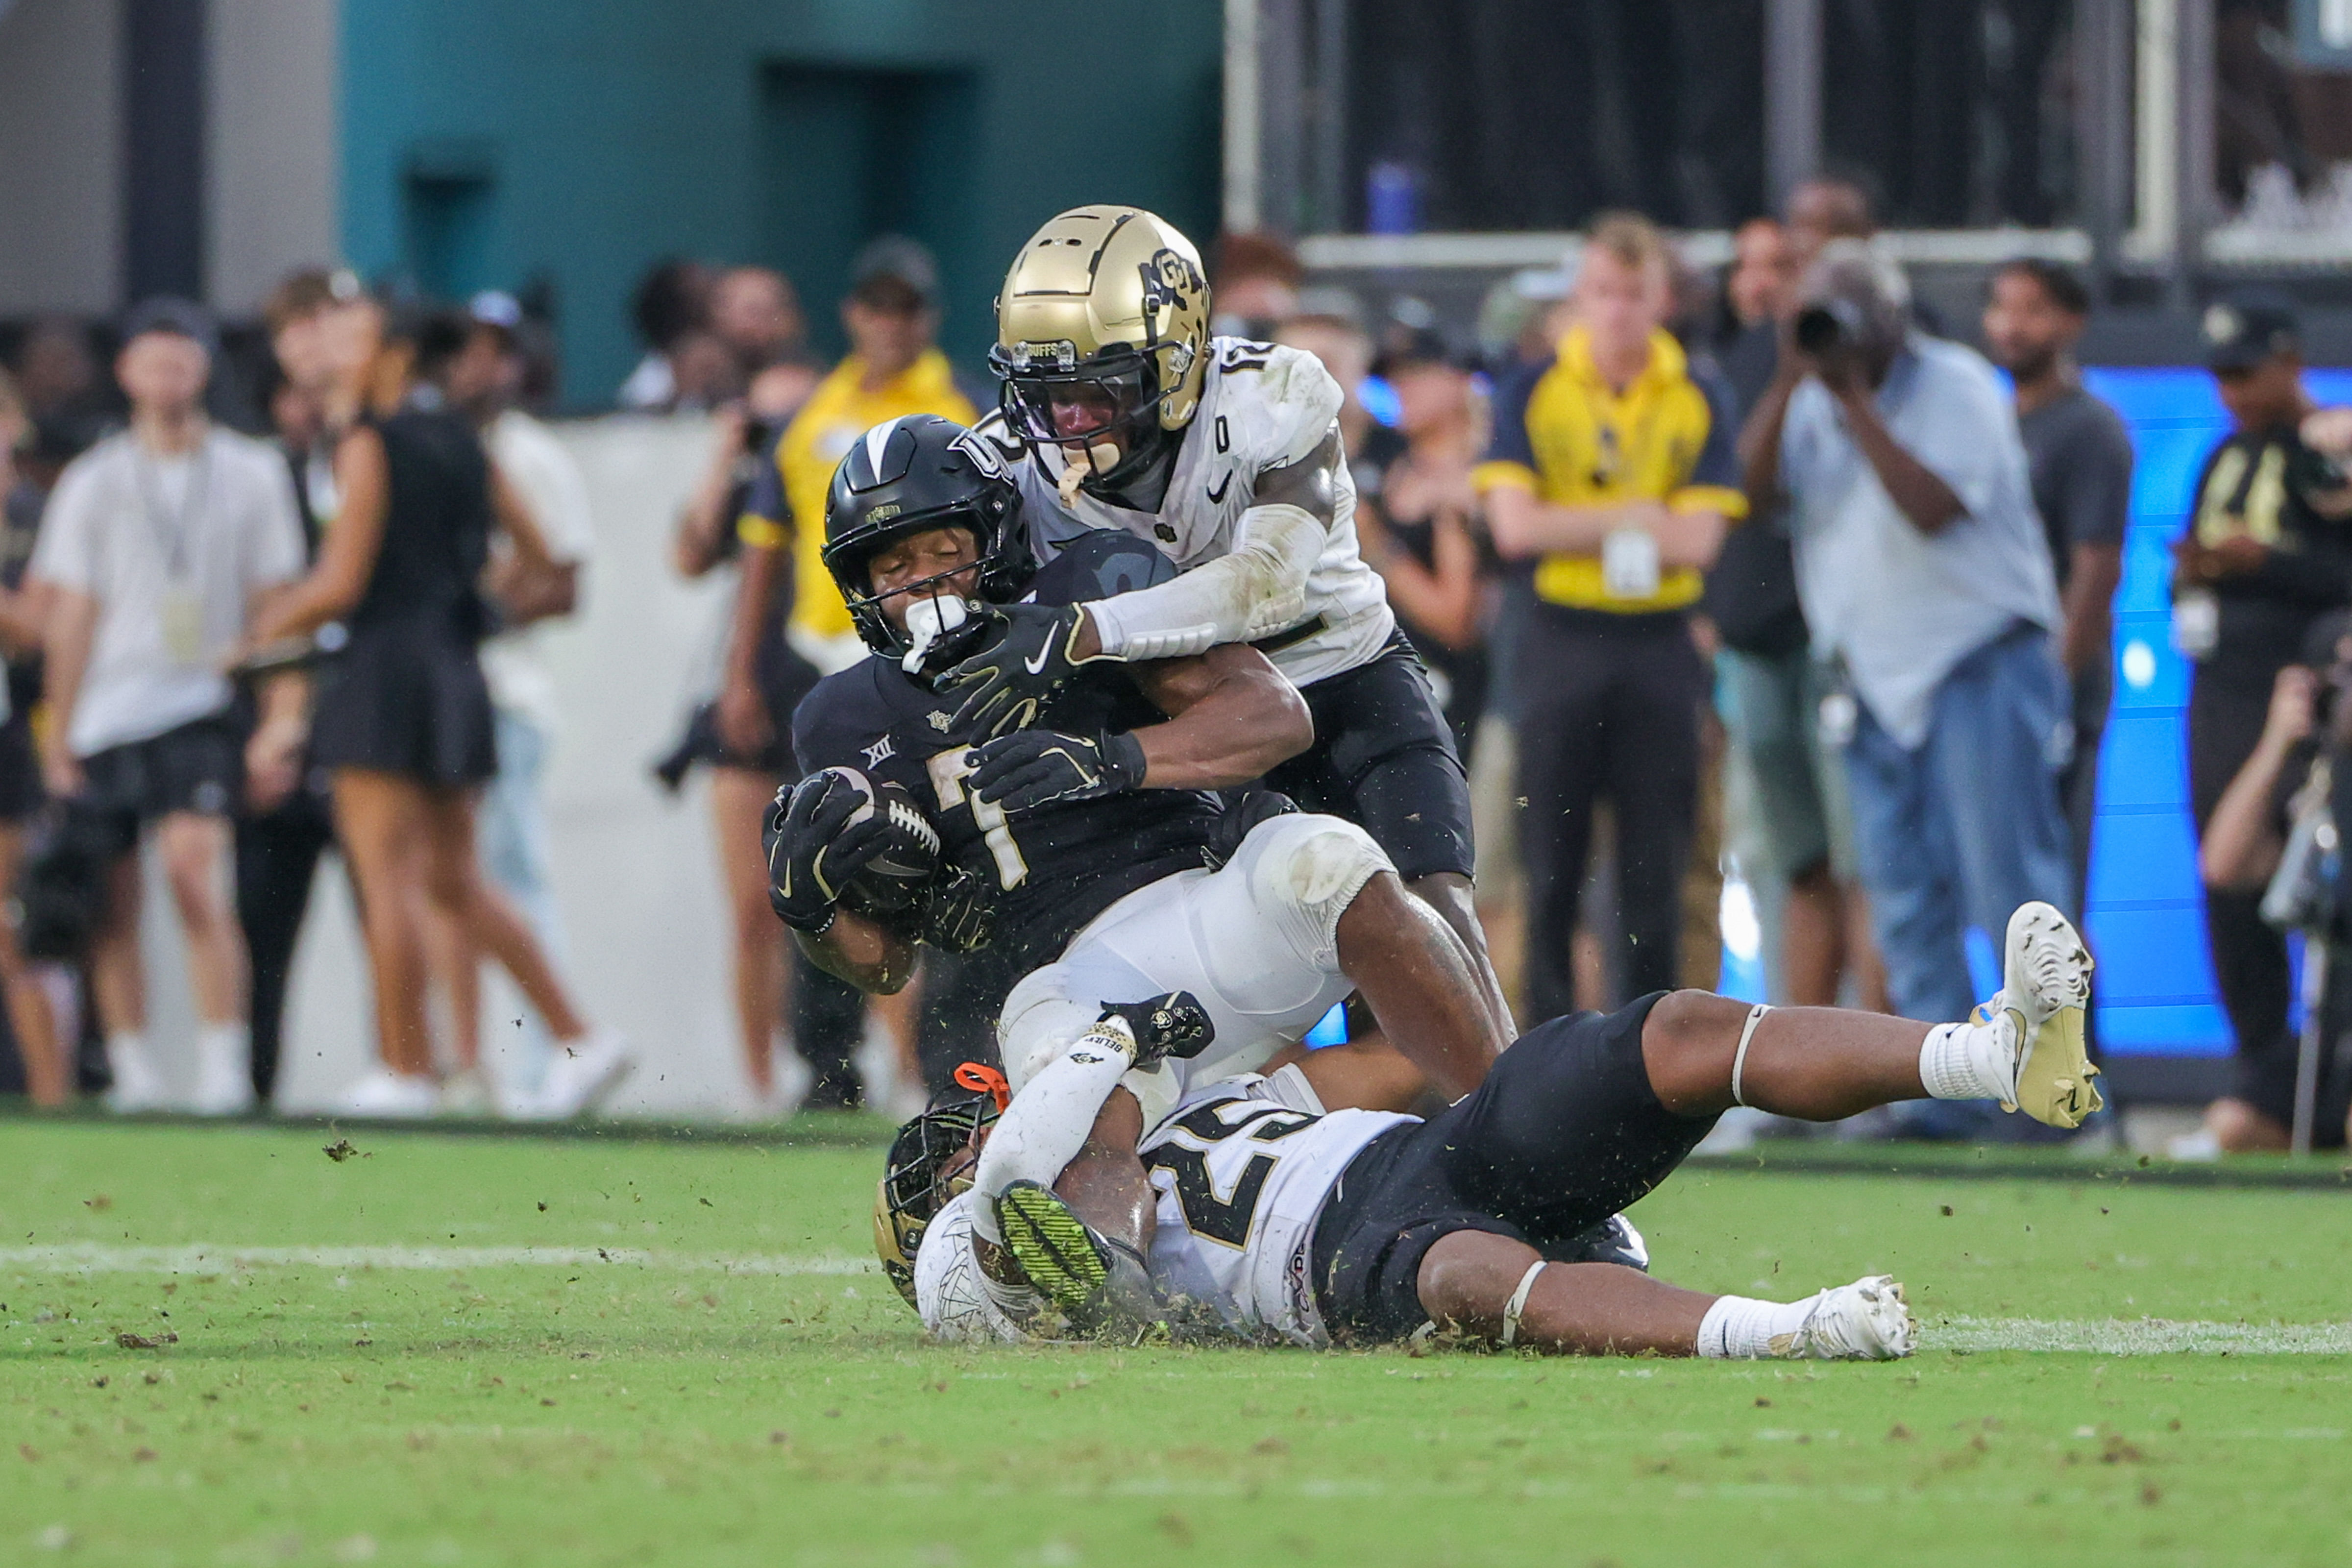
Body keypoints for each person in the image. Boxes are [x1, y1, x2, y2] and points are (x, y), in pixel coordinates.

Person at [778, 416, 1504, 1293]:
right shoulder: (840, 719)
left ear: (996, 536)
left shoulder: (1087, 587)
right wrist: (815, 912)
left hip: (1205, 908)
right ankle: (1119, 1284)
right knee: (1085, 1112)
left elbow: (1275, 718)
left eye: (944, 548)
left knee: (1329, 861)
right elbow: (883, 968)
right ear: (857, 584)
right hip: (1060, 984)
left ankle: (1524, 1144)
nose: (926, 583)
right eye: (894, 567)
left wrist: (1108, 756)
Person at [904, 900, 2099, 1352]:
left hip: (1422, 1156)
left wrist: (1291, 1006)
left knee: (1669, 1031)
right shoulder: (1010, 1228)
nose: (974, 1137)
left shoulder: (1180, 1097)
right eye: (952, 1155)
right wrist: (1106, 1045)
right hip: (1336, 1272)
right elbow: (1083, 1218)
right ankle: (1781, 1330)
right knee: (1468, 1276)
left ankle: (1988, 1053)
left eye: (967, 1130)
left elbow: (1377, 1069)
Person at [936, 204, 1512, 1049]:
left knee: (1434, 910)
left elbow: (1264, 588)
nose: (1066, 424)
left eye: (1096, 389)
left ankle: (1520, 1124)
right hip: (1199, 720)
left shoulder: (1276, 396)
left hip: (1345, 681)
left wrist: (1077, 629)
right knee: (1250, 963)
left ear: (1175, 359)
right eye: (1045, 394)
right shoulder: (1008, 461)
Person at [1740, 242, 2084, 1135]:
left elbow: (1932, 508)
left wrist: (1852, 399)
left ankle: (2057, 1100)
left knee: (2012, 894)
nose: (1834, 333)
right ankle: (1949, 1105)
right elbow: (1749, 493)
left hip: (1980, 660)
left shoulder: (1959, 384)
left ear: (1894, 315)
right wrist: (1789, 382)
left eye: (1849, 311)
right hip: (1868, 678)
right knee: (1904, 900)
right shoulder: (1807, 400)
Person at [249, 308, 624, 1118]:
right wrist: (469, 609)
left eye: (350, 334)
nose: (330, 347)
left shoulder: (366, 440)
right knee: (459, 880)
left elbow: (340, 584)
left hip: (382, 671)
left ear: (390, 355)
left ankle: (406, 1069)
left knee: (387, 878)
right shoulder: (463, 439)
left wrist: (254, 633)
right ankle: (582, 1038)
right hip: (457, 671)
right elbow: (540, 560)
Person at [30, 300, 308, 1115]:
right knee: (114, 898)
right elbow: (73, 612)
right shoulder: (95, 478)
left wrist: (279, 716)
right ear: (125, 373)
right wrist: (60, 729)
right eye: (153, 362)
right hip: (110, 706)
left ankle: (223, 1064)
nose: (168, 378)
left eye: (183, 362)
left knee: (194, 870)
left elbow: (277, 600)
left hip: (202, 700)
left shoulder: (251, 471)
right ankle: (134, 1066)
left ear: (205, 370)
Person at [727, 237, 980, 1108]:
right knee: (820, 852)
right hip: (824, 659)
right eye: (875, 306)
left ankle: (944, 1065)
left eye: (904, 308)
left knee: (944, 854)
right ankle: (825, 1064)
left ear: (927, 318)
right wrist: (741, 673)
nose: (888, 323)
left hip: (929, 657)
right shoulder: (812, 412)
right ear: (851, 314)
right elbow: (764, 544)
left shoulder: (960, 406)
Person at [1473, 213, 1741, 1020]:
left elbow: (1699, 542)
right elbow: (1515, 530)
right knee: (1547, 863)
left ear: (1661, 299)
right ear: (1580, 298)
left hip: (1658, 643)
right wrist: (1637, 513)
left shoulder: (1697, 393)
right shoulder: (1534, 388)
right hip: (1560, 637)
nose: (1619, 310)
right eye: (1603, 292)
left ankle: (1653, 1052)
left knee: (1656, 865)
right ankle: (1550, 1046)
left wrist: (1580, 519)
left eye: (1633, 293)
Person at [2172, 293, 2352, 1139]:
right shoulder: (2226, 454)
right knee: (2226, 875)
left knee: (2303, 873)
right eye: (2223, 376)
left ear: (2290, 361)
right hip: (2219, 693)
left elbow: (2336, 575)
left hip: (2293, 698)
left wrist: (2260, 567)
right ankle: (2265, 1065)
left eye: (2249, 372)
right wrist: (2202, 568)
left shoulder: (2324, 451)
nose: (2234, 391)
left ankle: (2322, 1065)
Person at [1713, 186, 1887, 1019]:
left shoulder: (1900, 352)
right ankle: (1804, 1071)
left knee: (1870, 861)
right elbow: (1736, 491)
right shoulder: (1753, 355)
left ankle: (1892, 1070)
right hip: (1757, 643)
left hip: (1850, 644)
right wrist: (1786, 375)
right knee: (1793, 862)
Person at [443, 291, 598, 1116]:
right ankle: (472, 1065)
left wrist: (477, 611)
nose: (482, 366)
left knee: (509, 872)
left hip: (508, 689)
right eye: (469, 348)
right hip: (460, 692)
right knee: (458, 879)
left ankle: (548, 1066)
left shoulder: (529, 456)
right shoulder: (446, 446)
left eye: (496, 350)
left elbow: (565, 583)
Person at [661, 360, 824, 1116]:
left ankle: (895, 1071)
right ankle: (757, 1083)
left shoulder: (834, 462)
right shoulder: (749, 483)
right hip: (755, 687)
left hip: (823, 675)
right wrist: (727, 453)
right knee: (752, 907)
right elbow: (691, 556)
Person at [1981, 260, 2132, 931]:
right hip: (1987, 679)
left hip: (2048, 683)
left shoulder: (2090, 429)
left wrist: (2054, 686)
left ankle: (2069, 1036)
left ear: (2073, 323)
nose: (2012, 326)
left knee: (2052, 887)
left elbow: (2096, 568)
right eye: (2002, 308)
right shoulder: (1988, 419)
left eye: (2033, 310)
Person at [2191, 630, 2352, 1153]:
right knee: (2233, 1124)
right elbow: (2223, 866)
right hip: (2330, 1042)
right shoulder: (2318, 786)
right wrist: (2277, 740)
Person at [1355, 328, 1489, 756]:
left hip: (1463, 696)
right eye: (1394, 378)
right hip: (1391, 688)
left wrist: (1377, 548)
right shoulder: (1385, 467)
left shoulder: (1473, 482)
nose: (1401, 388)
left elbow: (1455, 620)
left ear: (1458, 379)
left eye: (1417, 374)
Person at [0, 370, 65, 1104]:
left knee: (14, 925)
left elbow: (34, 632)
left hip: (12, 734)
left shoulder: (36, 517)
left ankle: (54, 1100)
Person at [708, 266, 806, 389]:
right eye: (753, 312)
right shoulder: (698, 371)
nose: (762, 326)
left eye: (769, 314)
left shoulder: (800, 379)